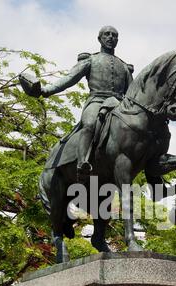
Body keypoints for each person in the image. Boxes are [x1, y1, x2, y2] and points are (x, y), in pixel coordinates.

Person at [40, 25, 133, 177]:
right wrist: (47, 90)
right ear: (99, 39)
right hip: (97, 101)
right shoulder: (91, 60)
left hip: (119, 104)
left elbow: (132, 93)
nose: (111, 37)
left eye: (114, 35)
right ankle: (82, 162)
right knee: (89, 124)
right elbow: (69, 79)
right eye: (107, 34)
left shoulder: (124, 67)